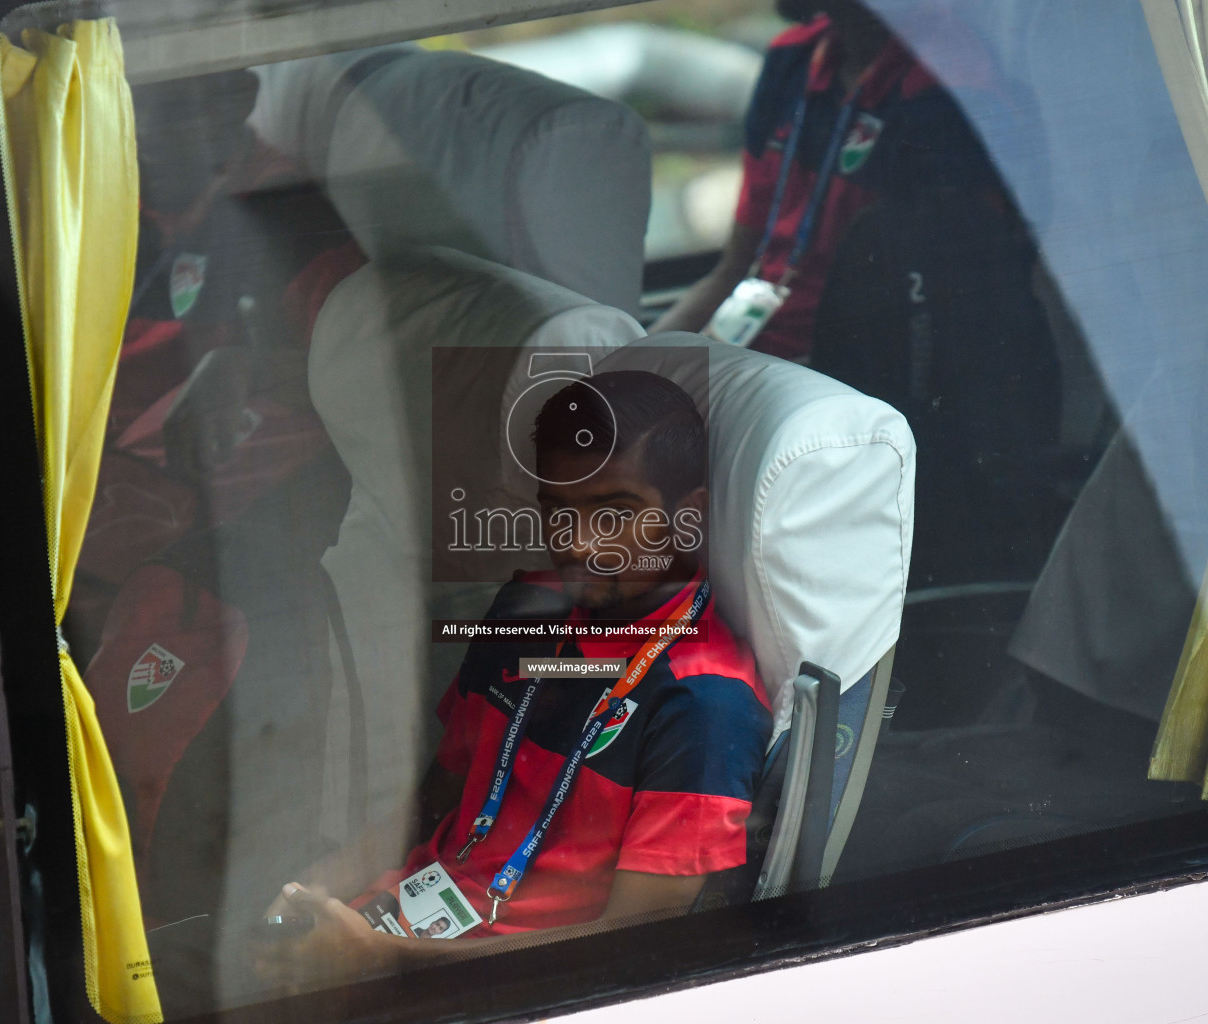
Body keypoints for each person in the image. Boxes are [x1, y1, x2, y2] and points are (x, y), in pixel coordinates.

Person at [255, 370, 771, 987]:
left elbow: (634, 947)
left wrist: (384, 965)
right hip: (393, 926)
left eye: (613, 514)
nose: (577, 545)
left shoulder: (707, 702)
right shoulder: (528, 606)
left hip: (509, 986)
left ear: (691, 515)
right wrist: (308, 889)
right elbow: (430, 805)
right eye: (558, 512)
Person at [652, 0, 1012, 363]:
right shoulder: (791, 59)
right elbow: (733, 270)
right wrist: (623, 368)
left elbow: (930, 321)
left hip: (853, 370)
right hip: (757, 351)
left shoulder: (950, 89)